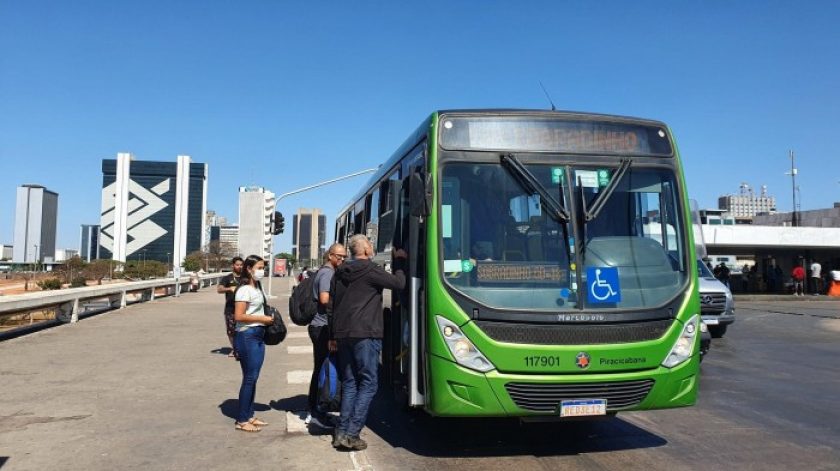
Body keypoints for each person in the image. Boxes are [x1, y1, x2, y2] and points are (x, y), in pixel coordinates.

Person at [330, 234, 407, 451]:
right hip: (366, 333)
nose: (372, 247)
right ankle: (352, 434)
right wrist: (400, 261)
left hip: (344, 334)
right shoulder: (371, 270)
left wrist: (333, 336)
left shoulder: (339, 272)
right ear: (364, 250)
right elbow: (399, 283)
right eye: (370, 245)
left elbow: (332, 306)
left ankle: (341, 432)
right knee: (369, 383)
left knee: (350, 383)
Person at [306, 243, 346, 430]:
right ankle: (317, 411)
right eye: (339, 256)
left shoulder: (325, 271)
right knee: (322, 369)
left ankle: (316, 408)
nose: (342, 259)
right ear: (329, 255)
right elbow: (324, 299)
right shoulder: (328, 273)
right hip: (322, 327)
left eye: (344, 256)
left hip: (319, 325)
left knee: (320, 368)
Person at [232, 255, 274, 432]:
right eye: (258, 267)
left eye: (263, 267)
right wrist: (262, 318)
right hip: (247, 335)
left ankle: (249, 415)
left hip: (258, 335)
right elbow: (239, 316)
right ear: (249, 269)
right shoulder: (243, 290)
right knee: (249, 377)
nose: (261, 271)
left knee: (254, 376)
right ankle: (242, 420)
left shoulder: (258, 287)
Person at [217, 257, 244, 359]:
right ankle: (235, 349)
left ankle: (242, 348)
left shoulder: (245, 278)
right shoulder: (227, 278)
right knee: (231, 331)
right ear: (233, 265)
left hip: (244, 308)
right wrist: (229, 288)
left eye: (241, 265)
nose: (239, 266)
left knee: (243, 330)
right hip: (230, 308)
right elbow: (219, 289)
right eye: (237, 265)